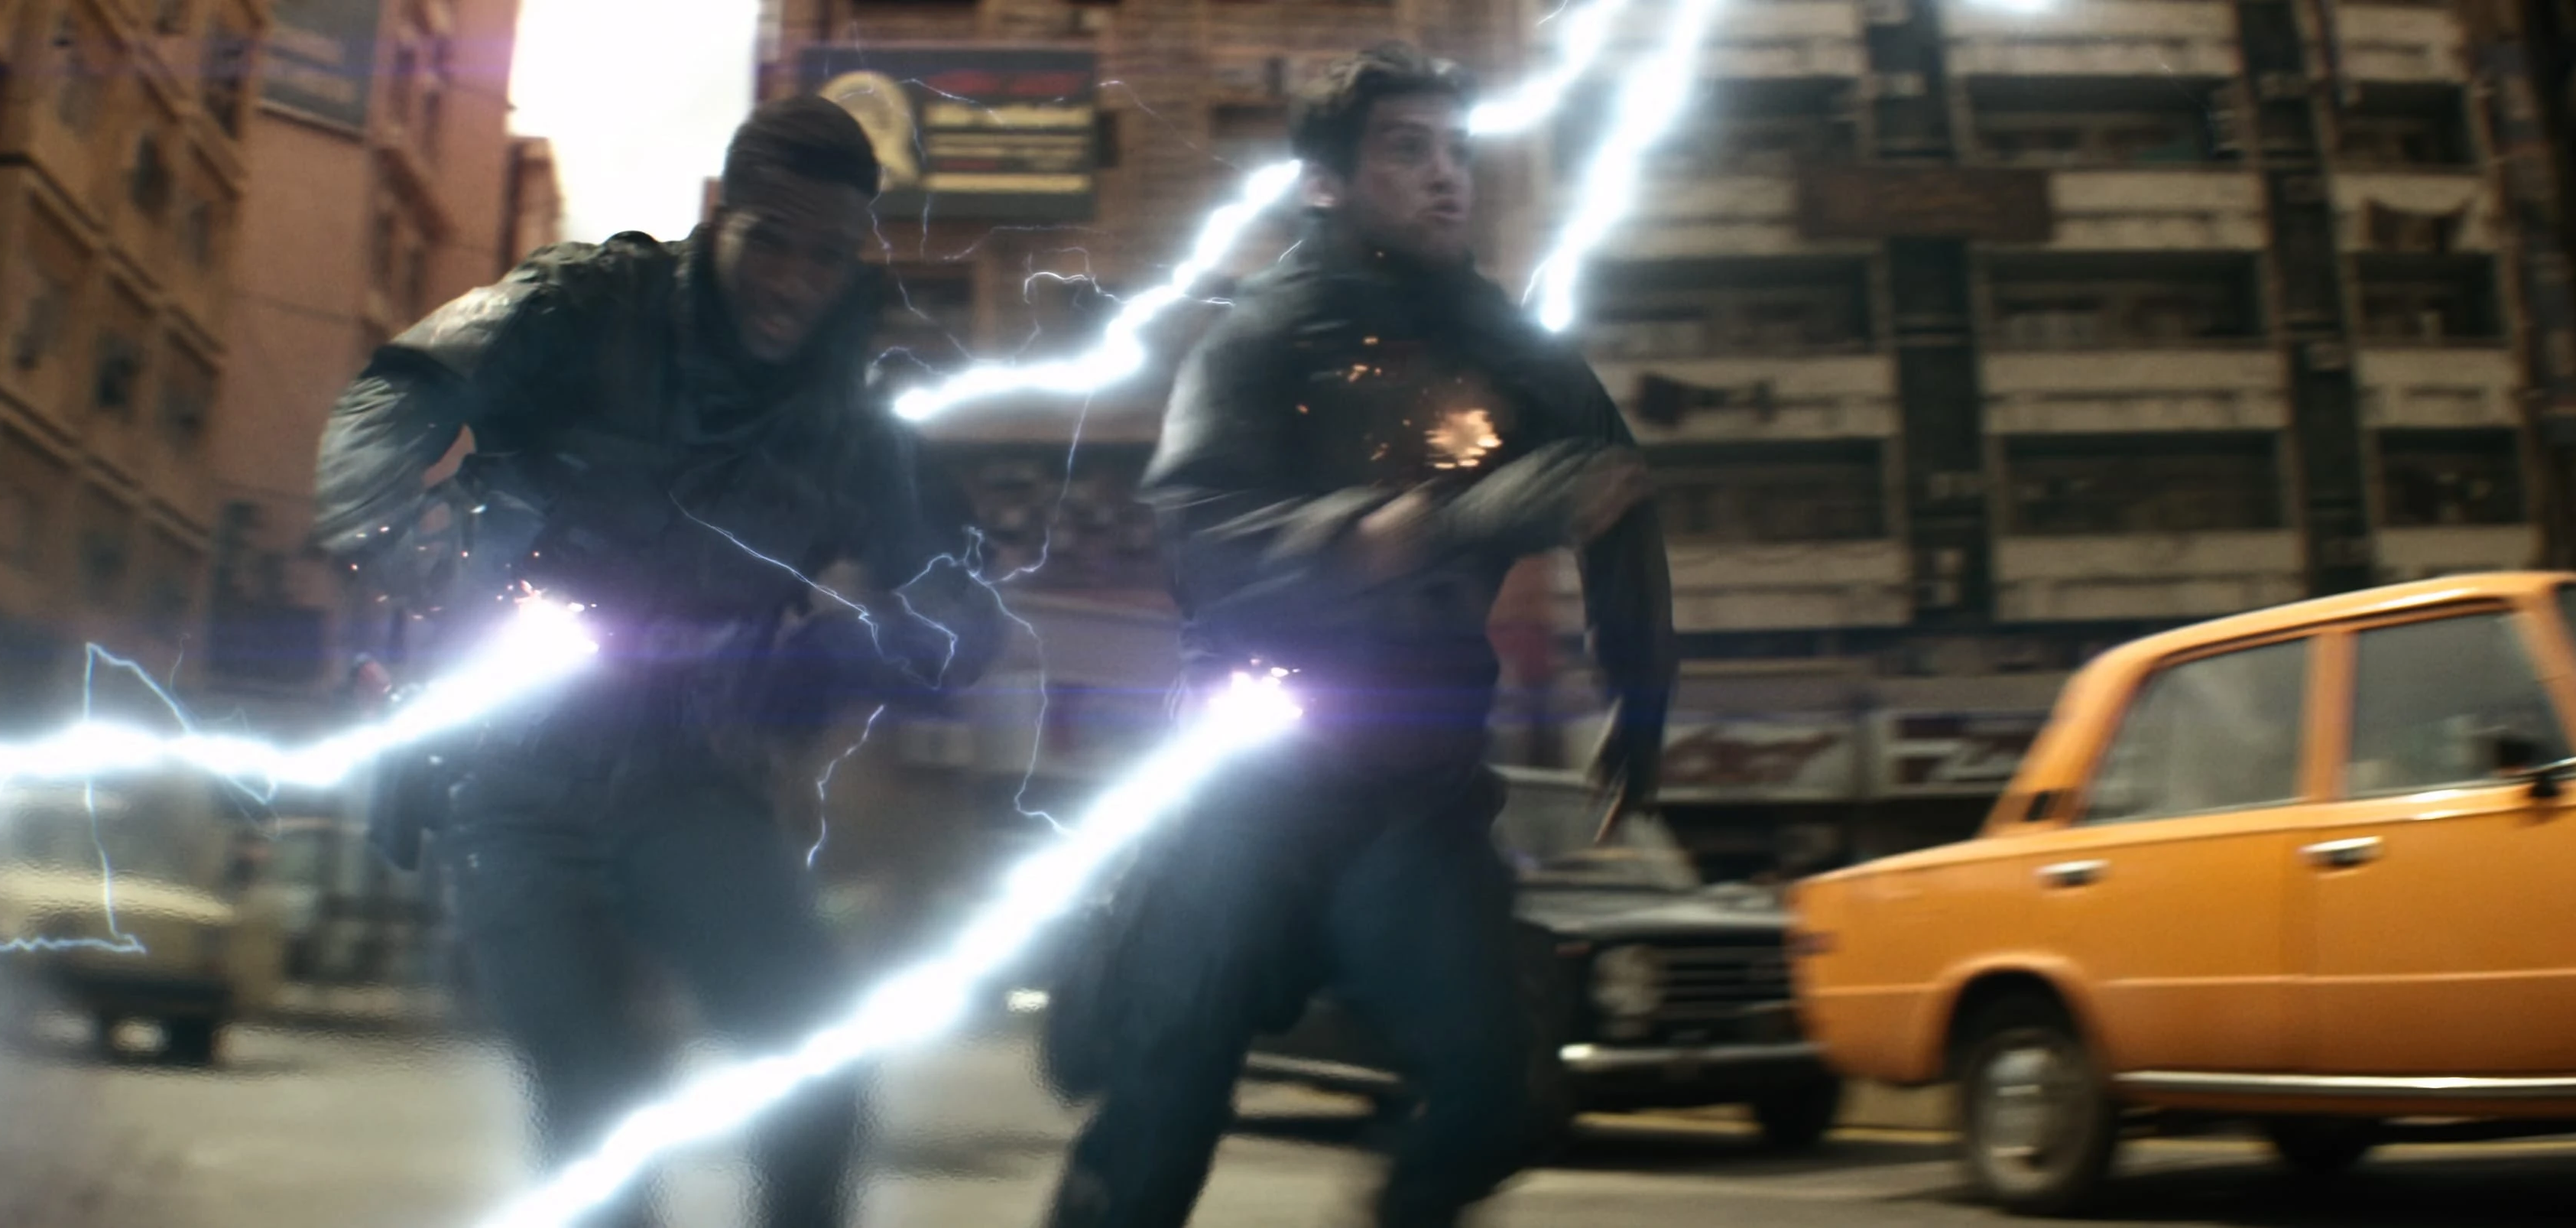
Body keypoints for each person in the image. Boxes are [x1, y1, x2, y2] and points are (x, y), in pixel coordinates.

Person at [310, 96, 1004, 1228]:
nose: (793, 280)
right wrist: (398, 533)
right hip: (511, 771)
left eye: (826, 255)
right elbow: (395, 390)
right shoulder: (588, 306)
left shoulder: (853, 416)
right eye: (771, 239)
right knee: (600, 1121)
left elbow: (962, 608)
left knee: (819, 1085)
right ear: (721, 216)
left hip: (691, 779)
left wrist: (848, 652)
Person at [1038, 43, 1675, 1228]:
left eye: (1457, 151)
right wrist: (1446, 520)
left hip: (1416, 802)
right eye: (1407, 150)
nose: (1446, 177)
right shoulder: (1259, 338)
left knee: (1497, 1099)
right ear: (1326, 182)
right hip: (1250, 791)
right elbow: (1203, 543)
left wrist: (1641, 694)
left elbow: (1616, 488)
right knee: (1157, 1127)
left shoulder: (1509, 348)